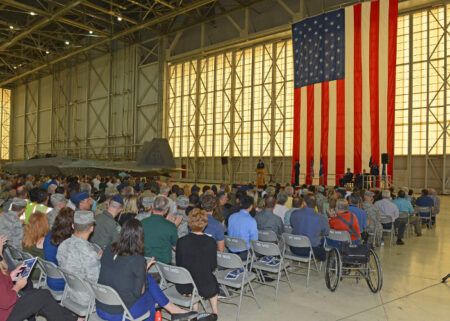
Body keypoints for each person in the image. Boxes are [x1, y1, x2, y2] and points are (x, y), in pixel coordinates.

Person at [96, 219, 196, 321]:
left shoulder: (108, 249)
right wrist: (143, 269)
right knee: (152, 298)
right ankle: (174, 310)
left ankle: (174, 309)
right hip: (120, 313)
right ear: (140, 237)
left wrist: (142, 270)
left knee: (148, 278)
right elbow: (139, 293)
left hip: (101, 306)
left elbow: (118, 270)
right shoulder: (137, 260)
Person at [0, 236, 80, 321]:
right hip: (6, 314)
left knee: (38, 295)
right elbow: (6, 302)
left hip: (7, 307)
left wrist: (11, 276)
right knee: (43, 296)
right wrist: (18, 287)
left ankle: (71, 318)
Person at [176, 209, 219, 319]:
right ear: (205, 224)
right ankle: (215, 310)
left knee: (193, 273)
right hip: (205, 285)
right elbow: (213, 266)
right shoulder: (211, 242)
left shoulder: (181, 241)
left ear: (189, 223)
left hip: (185, 285)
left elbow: (179, 263)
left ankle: (195, 309)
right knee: (211, 278)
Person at [57, 210, 101, 307]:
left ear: (73, 225)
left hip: (69, 291)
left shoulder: (63, 245)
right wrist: (98, 261)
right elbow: (95, 282)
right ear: (92, 228)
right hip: (86, 298)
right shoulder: (90, 254)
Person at [43, 207, 74, 292]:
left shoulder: (48, 235)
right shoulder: (67, 242)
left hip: (50, 278)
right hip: (63, 282)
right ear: (72, 224)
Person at [289, 197, 329, 261]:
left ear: (304, 203)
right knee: (322, 240)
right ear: (315, 205)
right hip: (311, 250)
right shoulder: (321, 217)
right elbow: (326, 232)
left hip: (293, 247)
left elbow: (292, 225)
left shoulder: (294, 214)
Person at [142, 196, 178, 264]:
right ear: (166, 210)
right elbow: (176, 247)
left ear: (152, 206)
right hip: (163, 266)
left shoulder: (142, 223)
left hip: (145, 262)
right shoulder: (170, 226)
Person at [227, 195, 258, 260]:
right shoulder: (252, 221)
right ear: (251, 206)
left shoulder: (232, 216)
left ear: (240, 204)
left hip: (231, 251)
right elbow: (254, 241)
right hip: (244, 254)